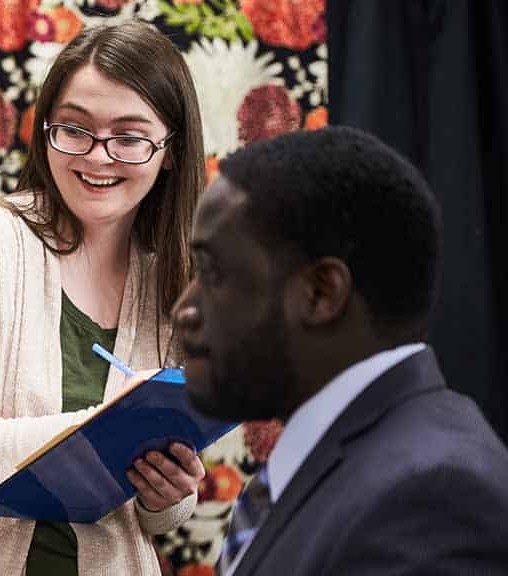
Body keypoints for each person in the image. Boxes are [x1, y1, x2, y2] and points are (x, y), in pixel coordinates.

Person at [0, 22, 207, 575]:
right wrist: (93, 434)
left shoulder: (172, 283)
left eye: (129, 137)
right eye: (74, 129)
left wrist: (167, 493)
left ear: (169, 151)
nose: (98, 157)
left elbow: (158, 520)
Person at [173, 126, 508, 575]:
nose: (184, 310)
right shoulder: (362, 456)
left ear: (320, 293)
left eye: (213, 274)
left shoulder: (429, 499)